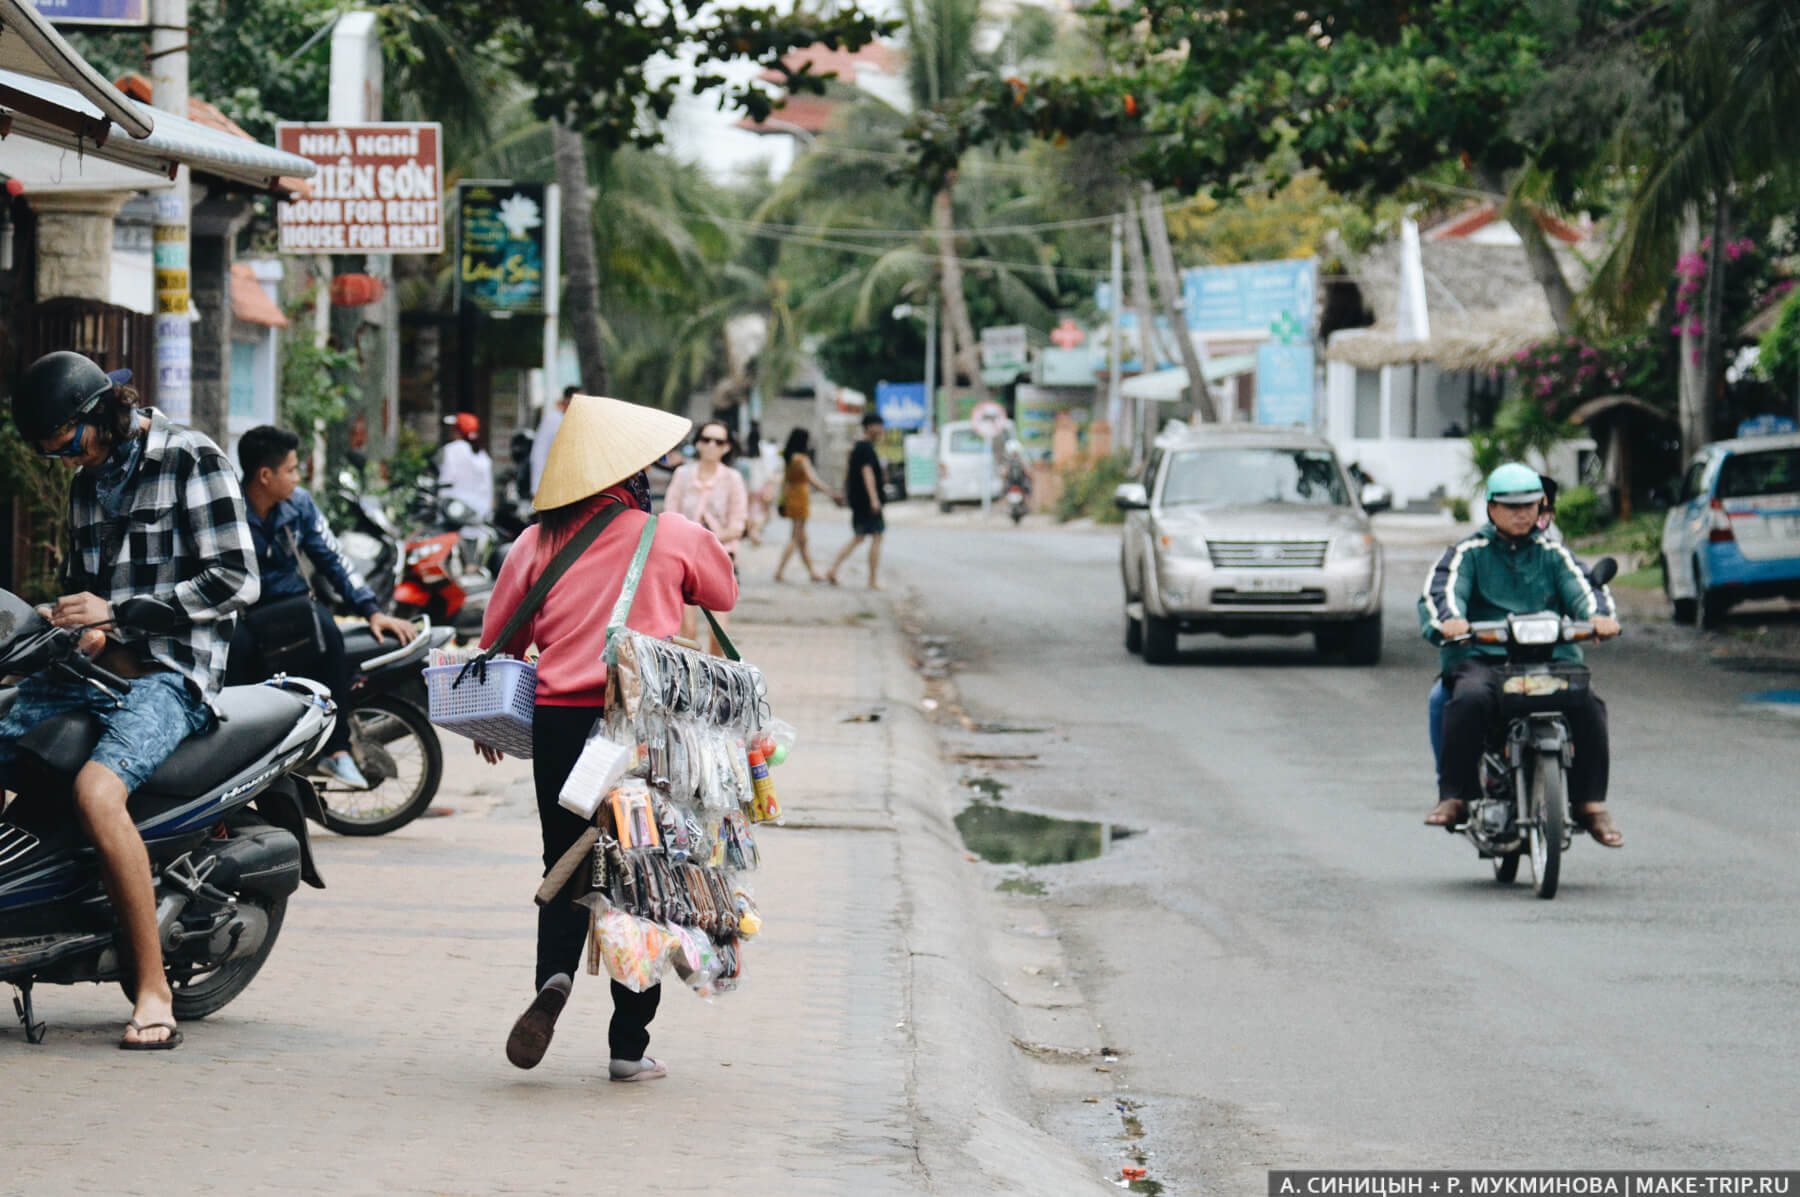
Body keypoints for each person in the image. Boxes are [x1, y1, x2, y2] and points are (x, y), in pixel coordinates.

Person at [0, 351, 261, 1049]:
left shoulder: (189, 457)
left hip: (172, 674)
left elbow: (236, 579)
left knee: (95, 793)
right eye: (55, 454)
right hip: (95, 669)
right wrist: (79, 623)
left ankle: (152, 987)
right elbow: (84, 588)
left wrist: (118, 611)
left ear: (100, 415)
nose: (67, 462)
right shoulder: (88, 484)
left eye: (70, 445)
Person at [476, 394, 737, 1080]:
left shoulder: (535, 543)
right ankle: (628, 1044)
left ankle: (554, 976)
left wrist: (491, 725)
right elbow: (725, 592)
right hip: (642, 729)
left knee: (564, 859)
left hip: (562, 722)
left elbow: (501, 637)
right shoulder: (669, 532)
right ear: (628, 476)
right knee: (644, 875)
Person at [1418, 463, 1624, 847]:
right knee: (1469, 698)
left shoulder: (1554, 554)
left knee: (1588, 703)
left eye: (1530, 505)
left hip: (1549, 657)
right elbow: (1442, 593)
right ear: (1491, 508)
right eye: (1511, 506)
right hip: (1483, 658)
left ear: (1540, 506)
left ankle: (1590, 803)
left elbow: (1583, 589)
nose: (1521, 513)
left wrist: (1600, 618)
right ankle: (1457, 796)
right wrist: (1451, 621)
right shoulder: (1468, 553)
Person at [228, 425, 418, 789]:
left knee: (329, 633)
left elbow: (333, 558)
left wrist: (371, 610)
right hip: (245, 614)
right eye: (292, 470)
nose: (297, 478)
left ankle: (336, 750)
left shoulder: (299, 505)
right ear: (265, 476)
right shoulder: (229, 509)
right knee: (234, 660)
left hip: (294, 605)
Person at [662, 420, 748, 655]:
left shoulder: (732, 479)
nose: (711, 445)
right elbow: (669, 514)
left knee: (718, 631)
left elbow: (737, 526)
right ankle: (689, 684)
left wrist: (708, 539)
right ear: (698, 443)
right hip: (683, 558)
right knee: (686, 631)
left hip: (719, 558)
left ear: (727, 447)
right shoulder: (682, 475)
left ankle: (715, 682)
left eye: (718, 441)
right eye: (706, 440)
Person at [826, 410, 887, 590]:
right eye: (879, 425)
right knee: (876, 536)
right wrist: (874, 499)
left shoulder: (855, 447)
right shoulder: (866, 448)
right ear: (870, 427)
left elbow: (848, 471)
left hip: (859, 501)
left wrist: (844, 491)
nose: (882, 429)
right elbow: (867, 473)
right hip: (867, 502)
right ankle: (872, 580)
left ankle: (833, 569)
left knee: (859, 537)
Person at [773, 428, 840, 583]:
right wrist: (831, 493)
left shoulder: (789, 458)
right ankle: (779, 571)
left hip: (791, 496)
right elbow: (813, 479)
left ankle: (812, 572)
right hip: (800, 498)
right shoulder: (802, 459)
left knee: (802, 538)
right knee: (796, 537)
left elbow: (785, 480)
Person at [439, 412, 495, 521]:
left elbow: (446, 479)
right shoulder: (483, 455)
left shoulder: (453, 449)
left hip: (456, 511)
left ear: (458, 431)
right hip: (480, 512)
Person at [529, 386, 577, 497]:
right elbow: (539, 454)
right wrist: (536, 489)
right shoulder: (553, 420)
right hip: (550, 486)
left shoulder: (573, 421)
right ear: (567, 400)